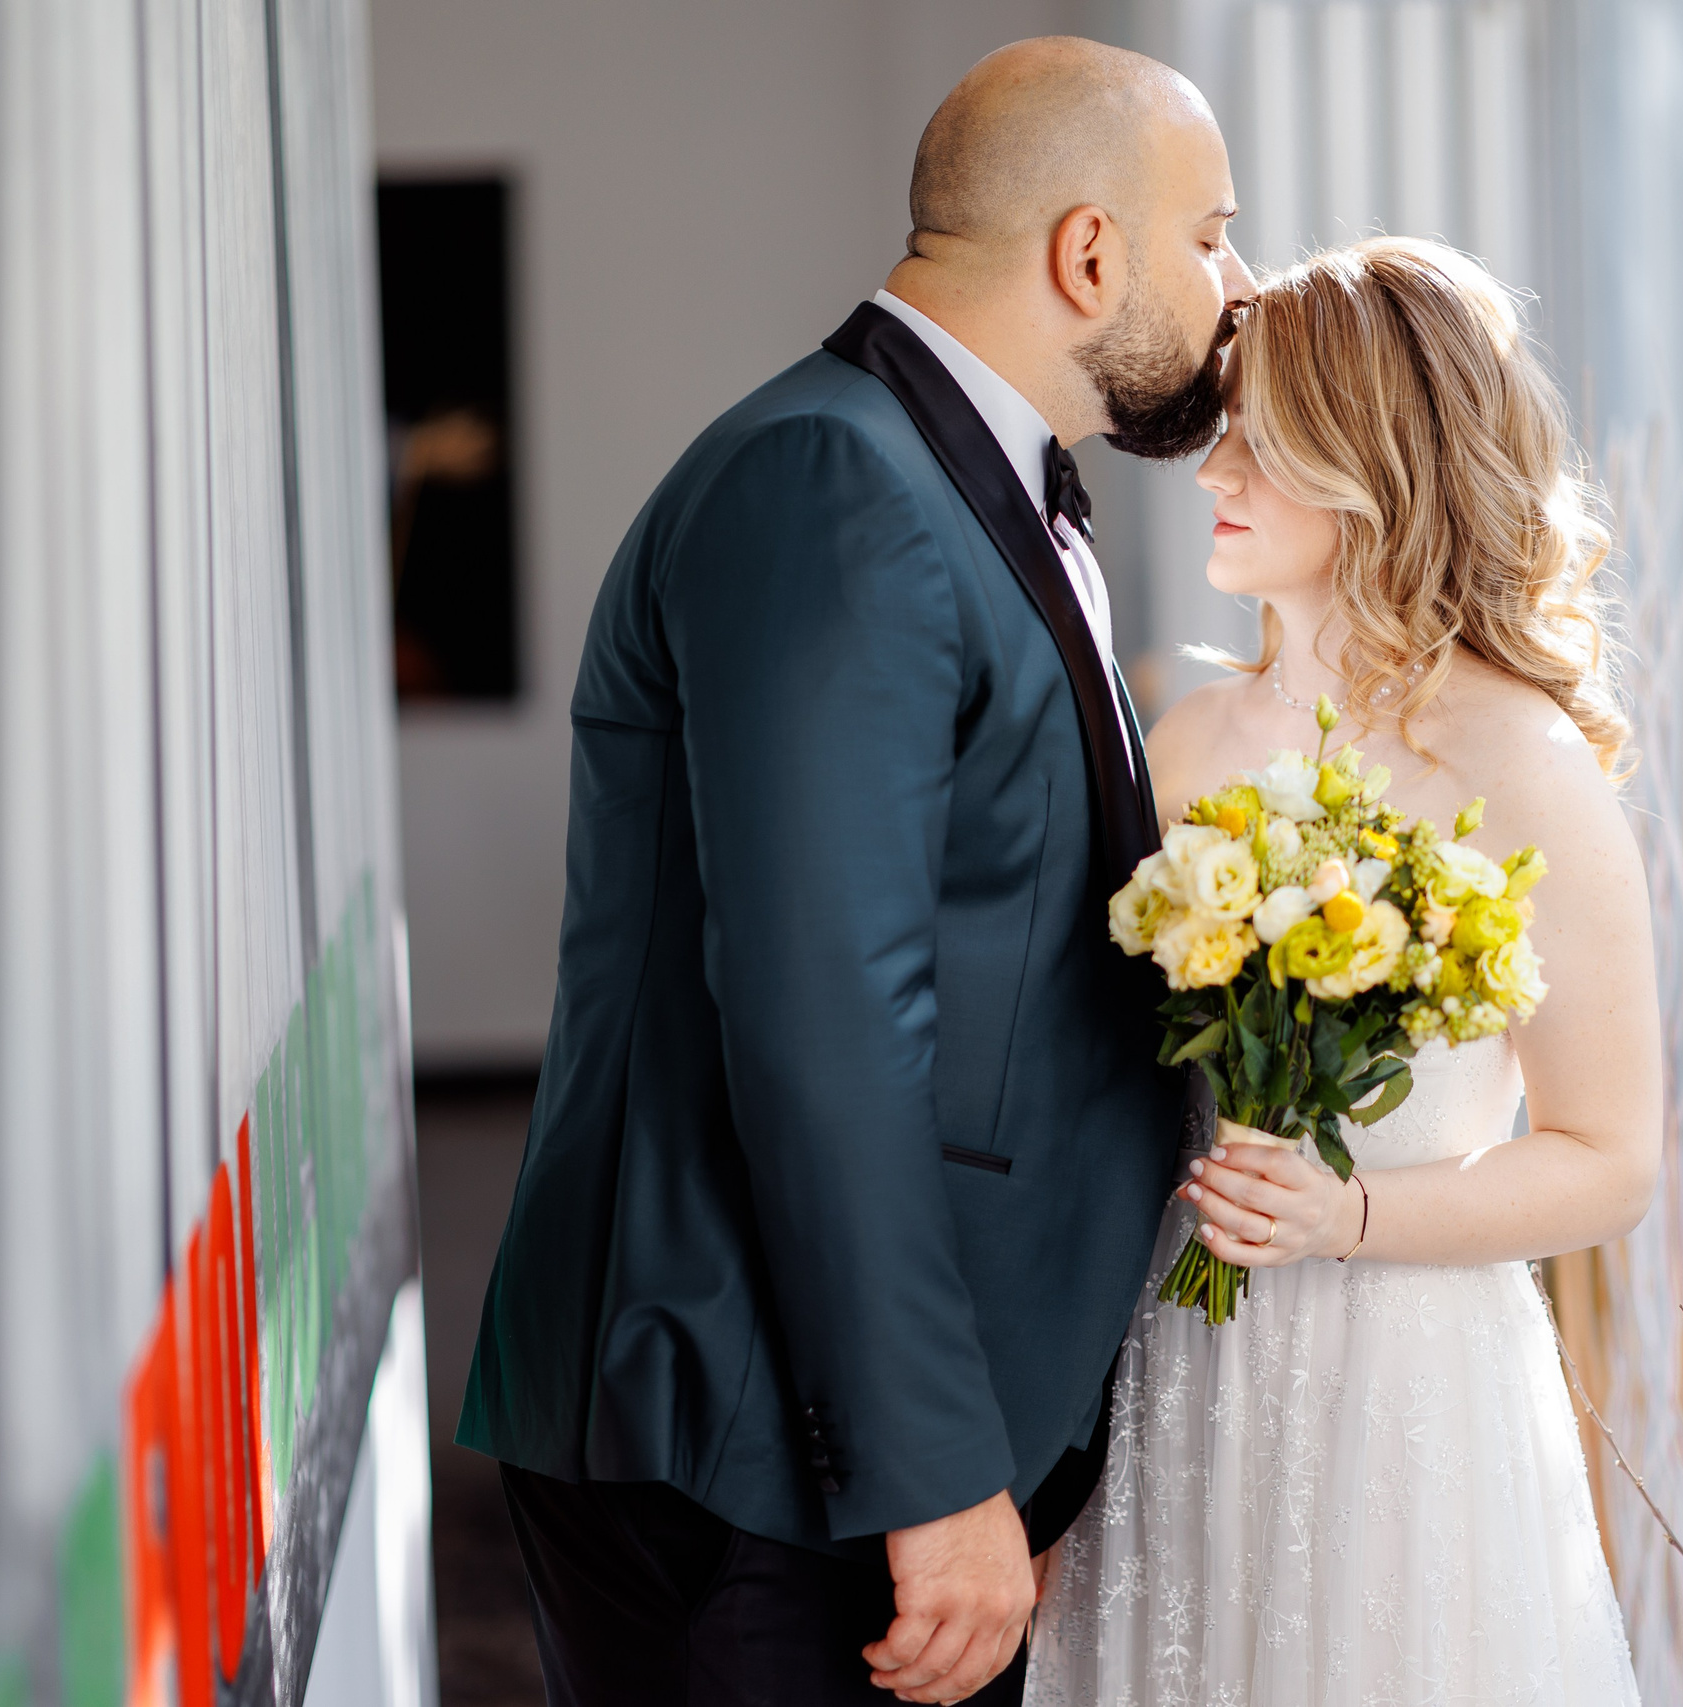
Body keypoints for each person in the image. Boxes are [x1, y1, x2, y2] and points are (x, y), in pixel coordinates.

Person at [453, 37, 1257, 1707]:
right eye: (1210, 236)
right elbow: (828, 1019)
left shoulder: (948, 479)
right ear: (1088, 252)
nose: (1236, 285)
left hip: (844, 1442)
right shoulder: (833, 480)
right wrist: (933, 1469)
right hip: (755, 1444)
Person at [1026, 238, 1659, 1705]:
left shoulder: (1526, 764)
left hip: (1412, 1401)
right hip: (1186, 1368)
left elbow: (1611, 1160)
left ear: (1371, 461)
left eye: (1260, 441)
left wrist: (1351, 1212)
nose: (1212, 470)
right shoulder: (1186, 742)